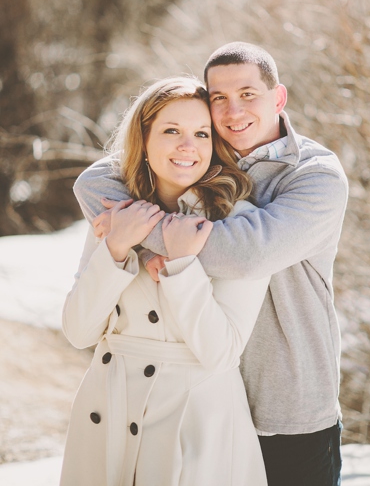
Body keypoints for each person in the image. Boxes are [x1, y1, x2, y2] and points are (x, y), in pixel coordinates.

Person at [73, 43, 349, 486]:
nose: (232, 110)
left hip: (288, 403)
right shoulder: (203, 153)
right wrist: (133, 230)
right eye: (218, 97)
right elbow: (93, 183)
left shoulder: (314, 174)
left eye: (247, 94)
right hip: (205, 398)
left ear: (278, 98)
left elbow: (246, 255)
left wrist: (143, 230)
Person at [61, 77, 270, 486]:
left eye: (201, 133)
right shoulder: (115, 214)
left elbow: (222, 353)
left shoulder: (241, 222)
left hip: (194, 421)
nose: (187, 145)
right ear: (144, 136)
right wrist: (117, 248)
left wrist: (182, 268)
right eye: (171, 130)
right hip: (109, 406)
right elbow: (78, 331)